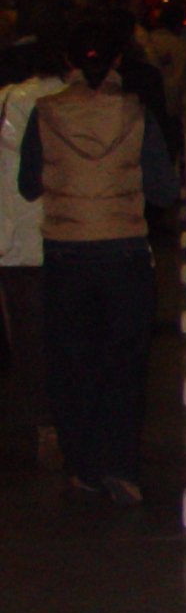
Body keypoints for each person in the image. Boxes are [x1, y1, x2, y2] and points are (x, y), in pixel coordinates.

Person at [17, 18, 179, 503]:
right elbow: (164, 191)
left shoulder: (43, 114)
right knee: (124, 365)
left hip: (66, 256)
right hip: (124, 254)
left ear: (68, 62)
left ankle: (83, 467)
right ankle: (120, 468)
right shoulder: (136, 114)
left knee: (73, 363)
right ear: (115, 62)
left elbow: (29, 187)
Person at [0, 38, 71, 467]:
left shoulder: (7, 101)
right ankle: (72, 423)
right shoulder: (75, 101)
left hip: (12, 243)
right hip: (70, 237)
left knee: (28, 343)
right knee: (72, 337)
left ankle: (46, 428)